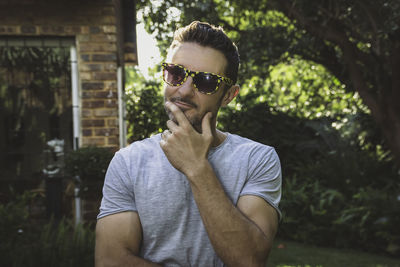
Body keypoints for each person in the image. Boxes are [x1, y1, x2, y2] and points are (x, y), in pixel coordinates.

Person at [95, 21, 282, 267]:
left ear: (228, 95)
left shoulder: (258, 160)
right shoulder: (128, 162)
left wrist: (196, 167)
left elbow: (248, 260)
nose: (183, 90)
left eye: (205, 81)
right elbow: (110, 261)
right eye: (175, 73)